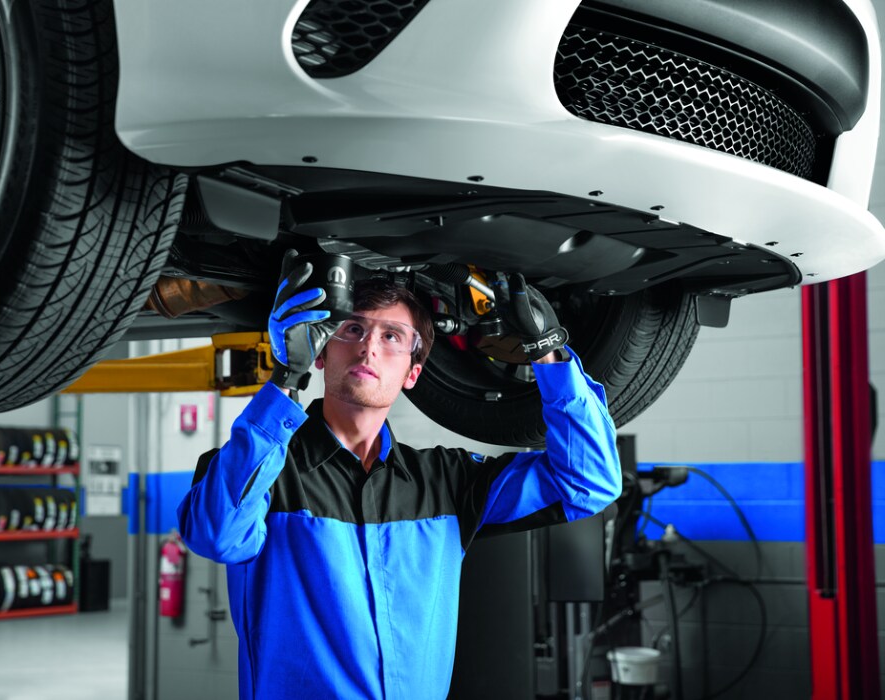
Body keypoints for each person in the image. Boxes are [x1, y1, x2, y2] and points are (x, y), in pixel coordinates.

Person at [177, 250, 622, 700]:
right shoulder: (258, 471)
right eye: (353, 329)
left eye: (391, 336)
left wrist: (547, 351)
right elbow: (217, 536)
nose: (369, 347)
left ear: (413, 373)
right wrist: (285, 378)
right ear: (321, 354)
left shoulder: (446, 480)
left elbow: (589, 482)